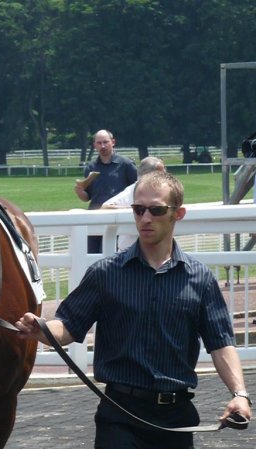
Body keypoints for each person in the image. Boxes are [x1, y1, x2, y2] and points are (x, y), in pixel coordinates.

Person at [17, 172, 252, 449]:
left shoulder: (200, 279)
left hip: (177, 419)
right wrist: (41, 328)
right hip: (120, 415)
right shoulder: (105, 274)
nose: (146, 218)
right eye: (139, 209)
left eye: (156, 209)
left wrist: (240, 394)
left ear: (178, 214)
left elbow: (221, 343)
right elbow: (68, 325)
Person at [75, 129, 137, 253]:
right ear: (94, 145)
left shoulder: (126, 164)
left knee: (113, 255)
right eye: (99, 143)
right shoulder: (91, 167)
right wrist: (79, 191)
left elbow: (137, 188)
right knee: (92, 255)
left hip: (117, 218)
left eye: (105, 142)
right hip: (94, 217)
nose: (102, 146)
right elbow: (87, 197)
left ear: (113, 142)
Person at [101, 156, 165, 251]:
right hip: (129, 251)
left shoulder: (164, 191)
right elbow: (105, 207)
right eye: (161, 174)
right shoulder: (132, 190)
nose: (165, 176)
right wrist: (133, 210)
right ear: (147, 175)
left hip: (156, 251)